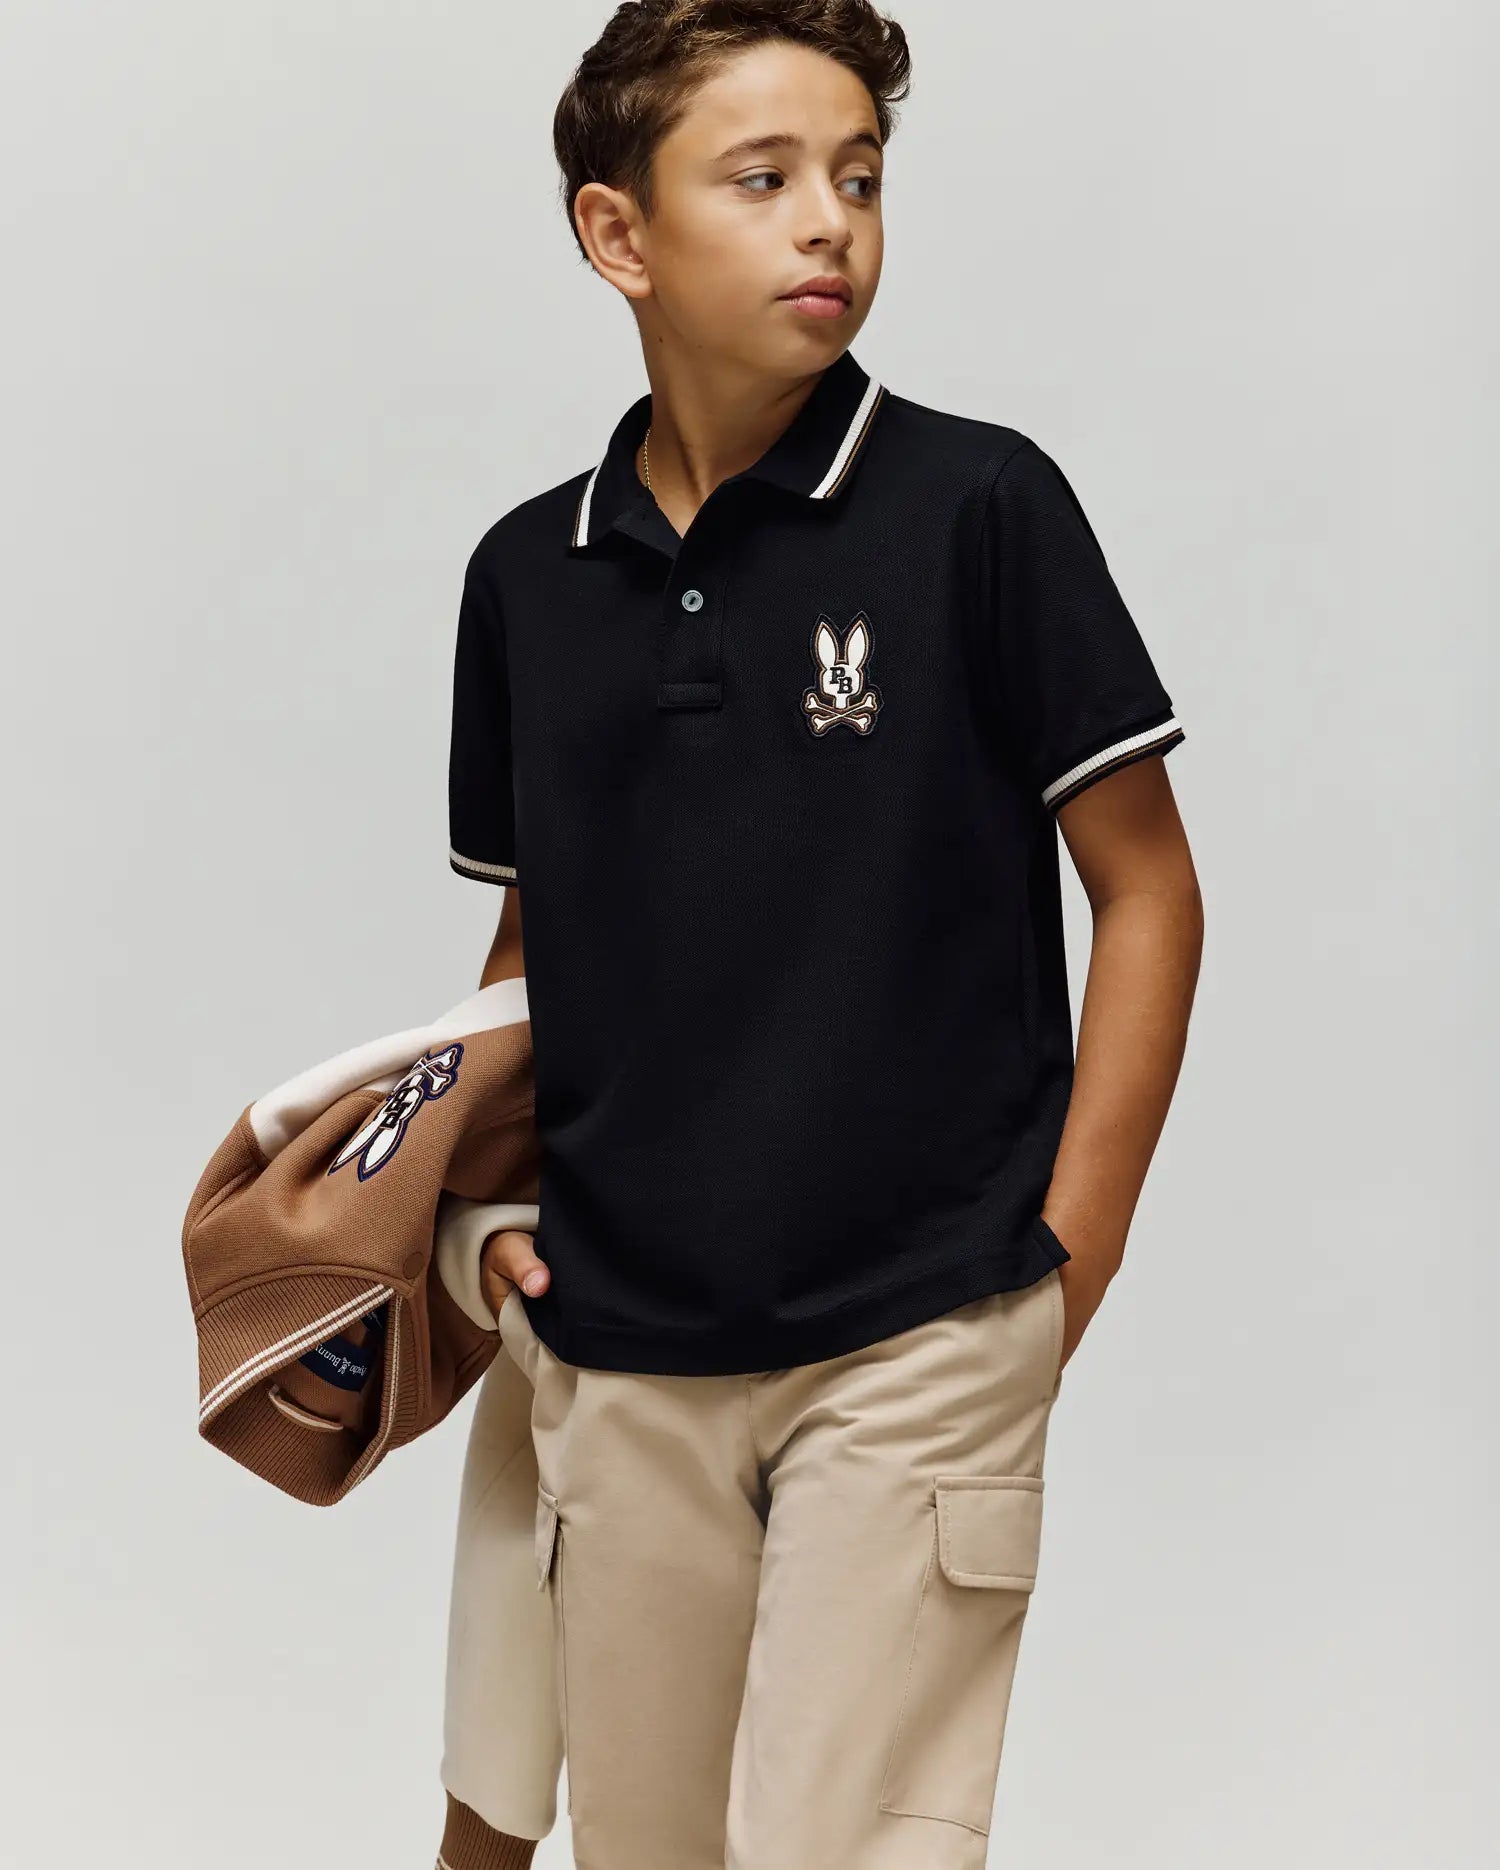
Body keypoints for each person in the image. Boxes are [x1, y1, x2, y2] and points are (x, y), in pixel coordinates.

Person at [435, 3, 1202, 1865]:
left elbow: (1148, 888)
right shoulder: (528, 576)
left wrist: (1068, 1257)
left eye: (859, 178)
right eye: (763, 178)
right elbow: (534, 947)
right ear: (617, 232)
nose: (828, 222)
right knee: (649, 1845)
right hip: (621, 1343)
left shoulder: (979, 507)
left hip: (922, 1329)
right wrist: (483, 1213)